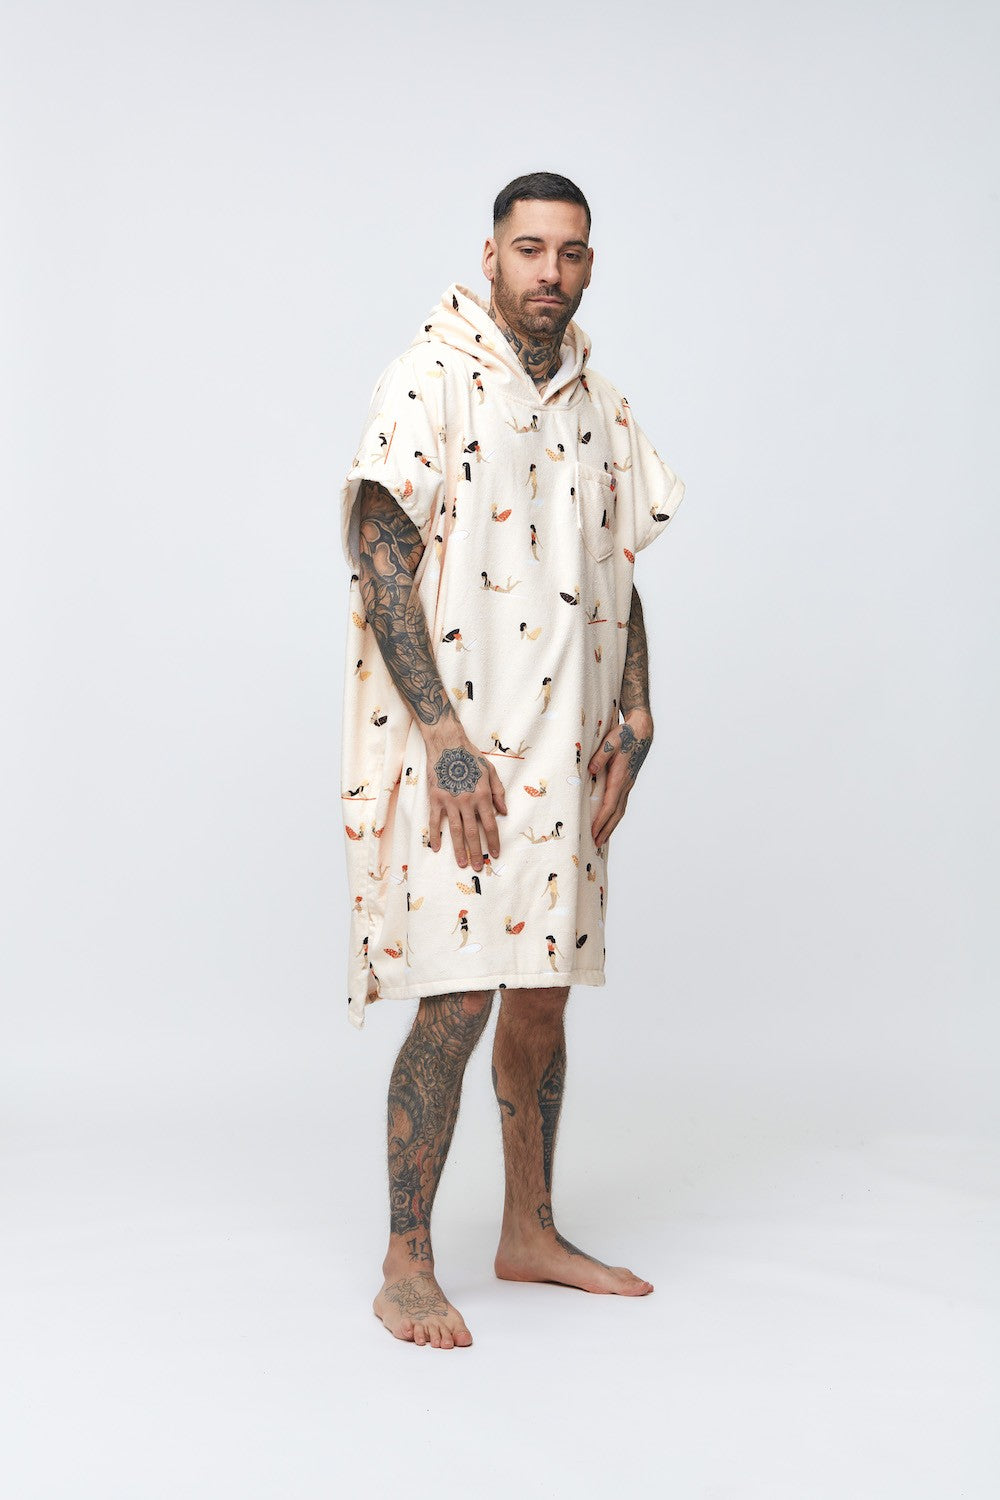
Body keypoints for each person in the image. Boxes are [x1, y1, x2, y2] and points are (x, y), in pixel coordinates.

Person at [340, 171, 685, 1348]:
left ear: (588, 265)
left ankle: (528, 1231)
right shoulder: (426, 379)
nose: (550, 271)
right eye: (530, 249)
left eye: (570, 252)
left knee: (540, 993)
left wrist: (634, 711)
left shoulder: (599, 402)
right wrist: (443, 742)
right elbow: (380, 563)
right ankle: (405, 1261)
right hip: (462, 753)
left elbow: (615, 566)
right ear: (490, 255)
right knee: (456, 994)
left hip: (564, 748)